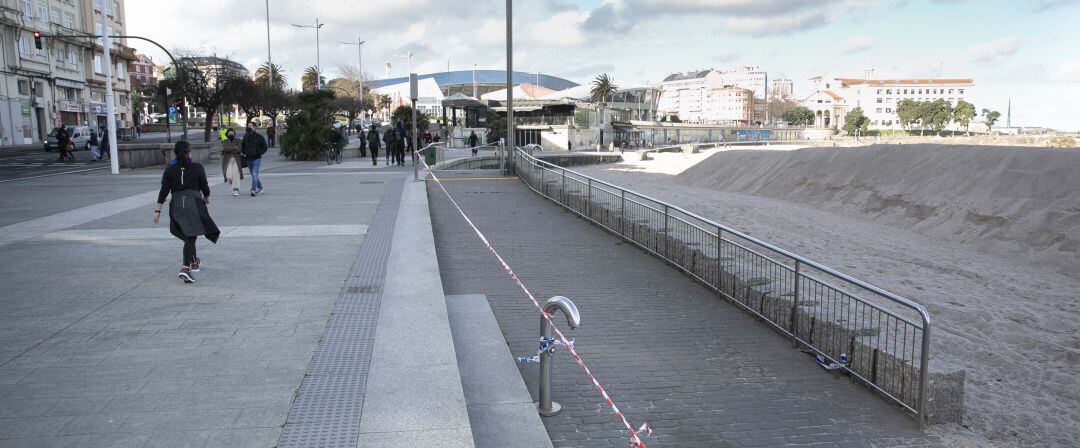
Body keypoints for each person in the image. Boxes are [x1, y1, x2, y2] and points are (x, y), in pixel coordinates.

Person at [153, 141, 220, 284]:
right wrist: (206, 198)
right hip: (193, 203)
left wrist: (157, 210)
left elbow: (164, 190)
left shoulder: (170, 169)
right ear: (189, 152)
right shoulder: (197, 167)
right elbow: (205, 187)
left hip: (176, 203)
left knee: (180, 231)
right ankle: (185, 268)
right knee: (190, 235)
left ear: (175, 153)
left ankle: (194, 261)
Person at [241, 123, 268, 196]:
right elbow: (242, 146)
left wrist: (259, 152)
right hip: (248, 158)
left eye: (251, 126)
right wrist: (244, 152)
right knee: (253, 175)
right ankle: (260, 187)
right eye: (248, 126)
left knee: (254, 173)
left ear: (255, 127)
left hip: (257, 158)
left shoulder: (259, 137)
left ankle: (253, 190)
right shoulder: (246, 137)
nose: (249, 127)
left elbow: (265, 147)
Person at [220, 129, 244, 196]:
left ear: (234, 134)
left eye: (232, 133)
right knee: (229, 176)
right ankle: (233, 187)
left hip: (236, 160)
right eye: (229, 133)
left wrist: (230, 149)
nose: (231, 134)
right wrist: (234, 148)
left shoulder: (238, 140)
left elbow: (239, 149)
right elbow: (225, 149)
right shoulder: (225, 141)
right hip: (227, 161)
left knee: (236, 174)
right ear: (227, 134)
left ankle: (236, 189)